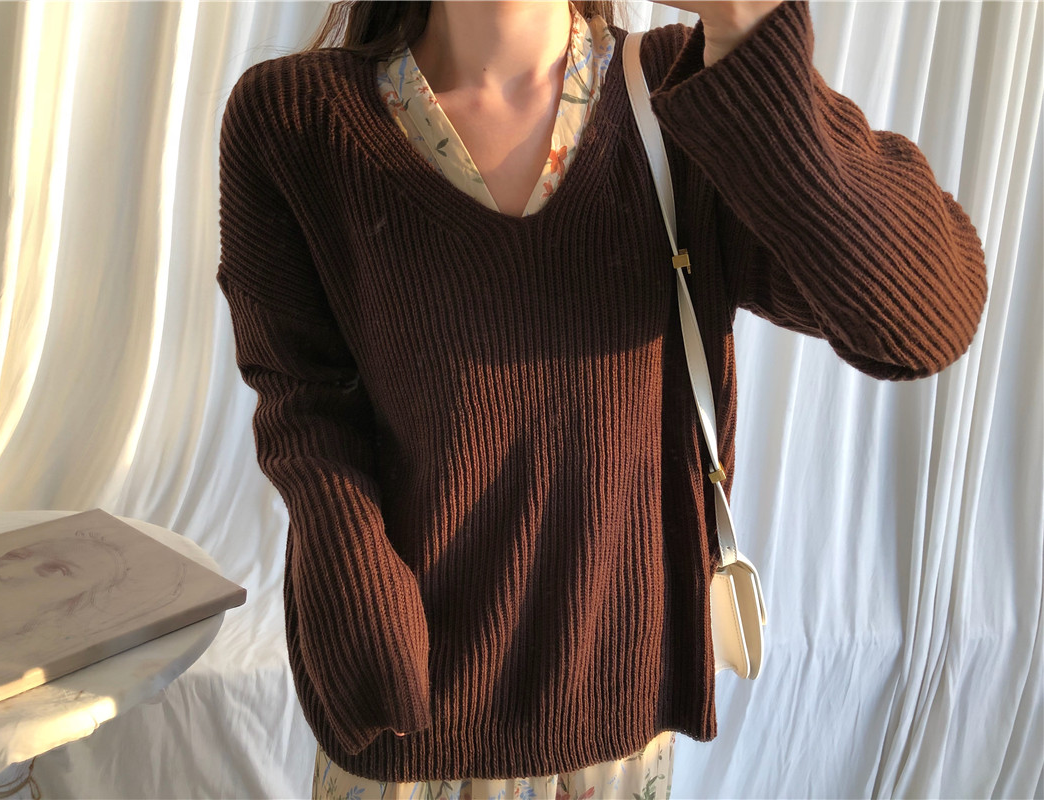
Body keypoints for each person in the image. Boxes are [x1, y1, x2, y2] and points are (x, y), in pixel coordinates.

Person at [215, 0, 988, 797]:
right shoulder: (293, 119)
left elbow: (922, 323)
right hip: (410, 721)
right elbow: (301, 391)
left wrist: (753, 37)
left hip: (615, 736)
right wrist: (348, 569)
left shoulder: (679, 94)